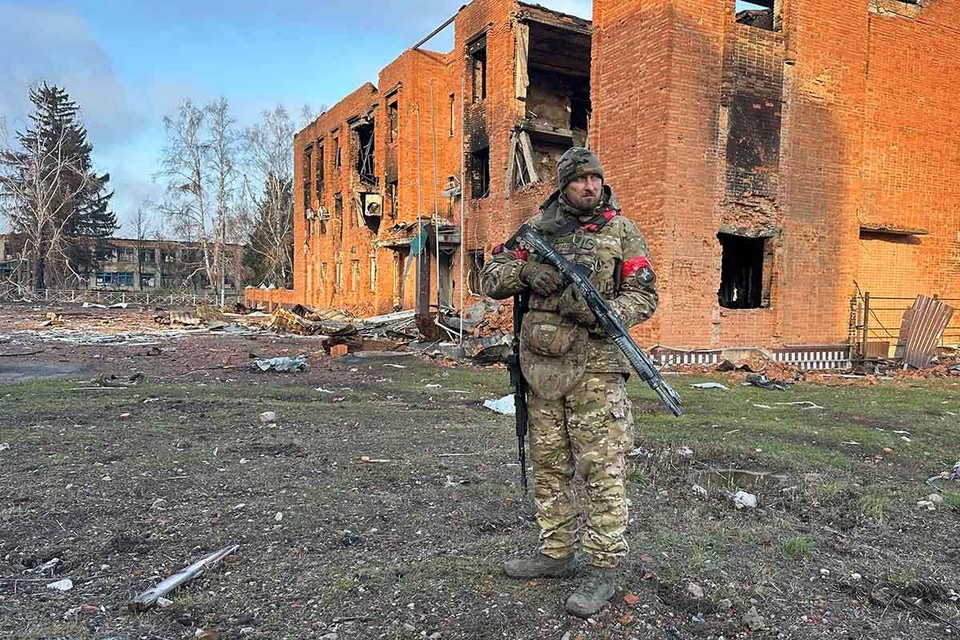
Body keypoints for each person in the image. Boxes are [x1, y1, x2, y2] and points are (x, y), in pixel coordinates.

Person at [480, 147, 659, 617]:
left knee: (601, 468)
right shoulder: (536, 230)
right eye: (580, 180)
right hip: (542, 368)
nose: (590, 187)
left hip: (597, 370)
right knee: (550, 463)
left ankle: (603, 566)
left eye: (596, 179)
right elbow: (491, 276)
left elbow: (644, 295)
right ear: (564, 185)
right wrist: (526, 271)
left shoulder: (621, 231)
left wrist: (604, 314)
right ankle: (556, 552)